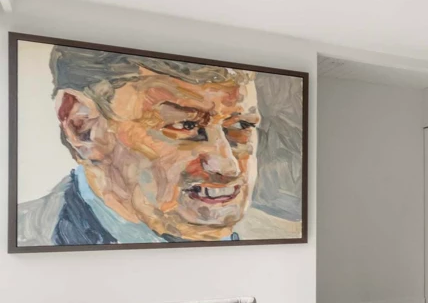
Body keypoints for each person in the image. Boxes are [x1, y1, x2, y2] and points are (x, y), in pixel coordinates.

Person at [17, 45, 300, 246]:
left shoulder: (282, 239)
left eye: (241, 127)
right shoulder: (25, 235)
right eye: (184, 125)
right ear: (83, 127)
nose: (226, 166)